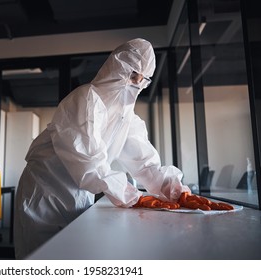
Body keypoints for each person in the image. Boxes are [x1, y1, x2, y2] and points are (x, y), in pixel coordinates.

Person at [13, 38, 191, 260]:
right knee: (39, 260)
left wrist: (174, 189)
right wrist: (132, 196)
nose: (136, 82)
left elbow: (145, 164)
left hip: (77, 197)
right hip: (44, 194)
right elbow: (89, 163)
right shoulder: (85, 98)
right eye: (133, 73)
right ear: (117, 65)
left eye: (142, 78)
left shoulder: (127, 119)